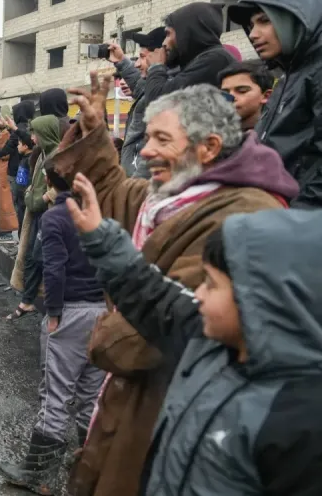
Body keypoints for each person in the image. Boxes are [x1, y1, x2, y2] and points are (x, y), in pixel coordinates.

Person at [53, 72, 299, 496]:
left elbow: (170, 326)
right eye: (148, 137)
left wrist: (103, 336)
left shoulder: (243, 214)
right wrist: (94, 130)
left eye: (162, 140)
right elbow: (112, 189)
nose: (146, 150)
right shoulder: (170, 196)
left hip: (173, 405)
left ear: (209, 148)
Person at [68, 177, 322, 496]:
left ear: (259, 299)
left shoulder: (301, 425)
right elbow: (156, 296)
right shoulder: (208, 341)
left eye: (212, 284)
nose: (198, 293)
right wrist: (101, 239)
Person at [0, 163, 106, 495]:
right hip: (101, 312)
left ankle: (38, 474)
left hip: (69, 312)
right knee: (92, 395)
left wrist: (54, 312)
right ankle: (91, 467)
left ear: (49, 181)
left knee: (55, 394)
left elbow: (53, 268)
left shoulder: (55, 217)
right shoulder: (100, 212)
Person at [228, 0, 322, 208]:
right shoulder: (292, 73)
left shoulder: (316, 71)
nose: (253, 34)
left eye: (264, 21)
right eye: (251, 25)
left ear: (298, 17)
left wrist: (291, 220)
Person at [9, 115, 63, 320]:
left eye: (35, 133)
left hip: (49, 213)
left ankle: (51, 308)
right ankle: (28, 300)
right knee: (32, 256)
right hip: (37, 213)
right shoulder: (43, 154)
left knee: (42, 257)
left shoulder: (59, 155)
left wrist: (47, 196)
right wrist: (31, 193)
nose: (32, 138)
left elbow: (65, 185)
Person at [145, 2, 236, 104]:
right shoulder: (202, 59)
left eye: (168, 34)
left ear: (186, 32)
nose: (164, 43)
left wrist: (156, 67)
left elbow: (158, 102)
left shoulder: (215, 59)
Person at [108, 27, 168, 178]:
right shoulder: (154, 87)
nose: (137, 64)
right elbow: (140, 86)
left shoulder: (166, 93)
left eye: (142, 57)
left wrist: (134, 185)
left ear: (160, 55)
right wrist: (121, 61)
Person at [0, 101, 36, 232]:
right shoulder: (28, 127)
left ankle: (17, 233)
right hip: (20, 168)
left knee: (19, 202)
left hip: (16, 169)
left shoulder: (20, 129)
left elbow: (8, 147)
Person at [218, 62, 273, 132]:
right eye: (225, 93)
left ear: (266, 96)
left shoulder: (277, 134)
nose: (230, 97)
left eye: (242, 91)